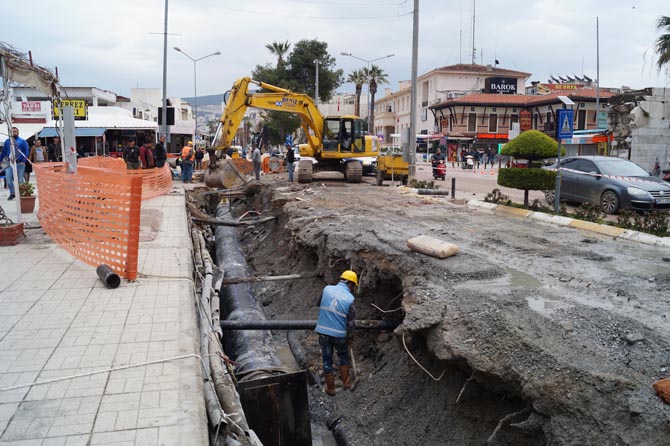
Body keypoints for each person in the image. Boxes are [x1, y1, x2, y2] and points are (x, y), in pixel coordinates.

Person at [315, 270, 357, 396]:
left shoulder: (327, 289)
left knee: (327, 360)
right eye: (353, 286)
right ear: (350, 284)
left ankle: (331, 389)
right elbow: (350, 323)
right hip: (340, 335)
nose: (353, 289)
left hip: (324, 332)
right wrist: (350, 338)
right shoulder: (350, 299)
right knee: (343, 357)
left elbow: (318, 303)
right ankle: (346, 383)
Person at [0, 127, 30, 200]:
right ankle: (12, 193)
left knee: (20, 179)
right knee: (8, 178)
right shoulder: (7, 141)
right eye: (12, 131)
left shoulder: (22, 141)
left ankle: (22, 193)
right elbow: (4, 152)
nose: (14, 133)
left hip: (19, 163)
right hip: (9, 163)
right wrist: (0, 160)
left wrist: (23, 161)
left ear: (18, 132)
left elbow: (26, 152)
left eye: (15, 131)